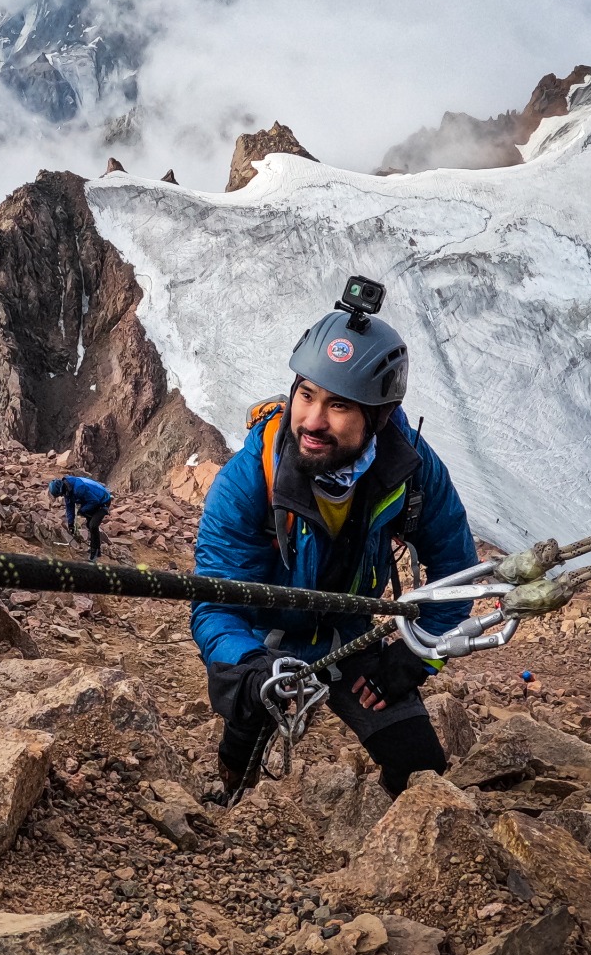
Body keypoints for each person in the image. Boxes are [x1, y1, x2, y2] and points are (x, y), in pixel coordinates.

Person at [192, 304, 479, 801]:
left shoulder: (411, 469)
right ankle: (232, 787)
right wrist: (250, 665)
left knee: (422, 771)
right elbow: (215, 601)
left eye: (340, 405)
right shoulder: (248, 479)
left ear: (380, 416)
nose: (313, 421)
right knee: (247, 723)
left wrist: (415, 657)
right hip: (267, 642)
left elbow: (458, 569)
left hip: (350, 639)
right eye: (306, 395)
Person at [49, 475, 112, 562]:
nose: (61, 495)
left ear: (61, 489)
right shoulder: (67, 489)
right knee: (89, 524)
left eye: (60, 494)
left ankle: (94, 553)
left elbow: (94, 501)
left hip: (103, 501)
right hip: (92, 501)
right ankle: (96, 550)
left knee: (93, 525)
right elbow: (69, 507)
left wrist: (82, 510)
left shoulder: (78, 488)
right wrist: (70, 524)